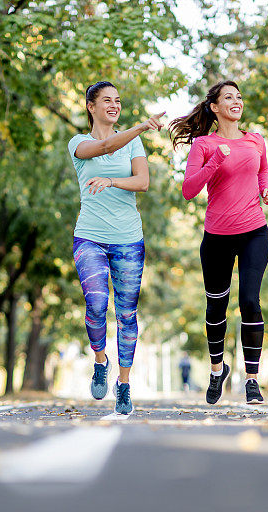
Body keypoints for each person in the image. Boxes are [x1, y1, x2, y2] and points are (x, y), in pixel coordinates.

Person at [169, 80, 268, 405]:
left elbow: (262, 173)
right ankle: (218, 370)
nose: (236, 101)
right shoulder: (204, 144)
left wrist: (266, 191)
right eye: (228, 97)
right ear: (214, 107)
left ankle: (252, 381)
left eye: (239, 96)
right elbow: (188, 190)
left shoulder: (255, 140)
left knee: (249, 301)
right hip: (216, 237)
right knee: (216, 307)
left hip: (254, 232)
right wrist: (215, 161)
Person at [67, 81, 164, 415]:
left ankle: (123, 385)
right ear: (90, 106)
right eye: (106, 100)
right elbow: (105, 147)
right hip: (89, 236)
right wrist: (141, 126)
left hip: (128, 238)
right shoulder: (78, 142)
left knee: (126, 314)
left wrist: (111, 181)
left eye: (118, 100)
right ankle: (100, 360)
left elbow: (143, 182)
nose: (114, 105)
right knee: (95, 304)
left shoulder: (133, 143)